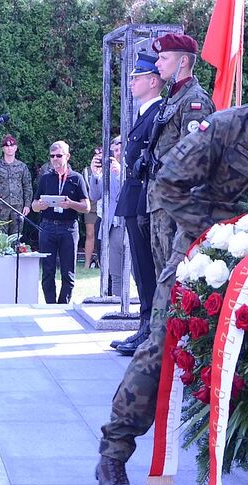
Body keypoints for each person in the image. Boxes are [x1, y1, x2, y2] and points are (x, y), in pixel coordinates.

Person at [95, 48, 248, 485]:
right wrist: (213, 234)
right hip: (202, 259)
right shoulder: (224, 128)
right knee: (159, 349)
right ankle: (114, 453)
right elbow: (166, 184)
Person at [110, 51, 165, 356]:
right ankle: (145, 325)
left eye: (138, 77)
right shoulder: (147, 112)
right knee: (141, 269)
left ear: (154, 81)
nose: (131, 82)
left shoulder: (157, 114)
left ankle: (149, 328)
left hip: (144, 197)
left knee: (147, 268)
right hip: (135, 196)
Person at [146, 33, 215, 275]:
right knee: (161, 274)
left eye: (163, 58)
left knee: (177, 275)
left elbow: (194, 156)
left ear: (183, 62)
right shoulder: (173, 98)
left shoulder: (194, 101)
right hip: (160, 199)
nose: (157, 63)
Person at [31, 141, 91, 304]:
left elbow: (86, 207)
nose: (55, 159)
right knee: (48, 270)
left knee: (68, 271)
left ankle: (63, 305)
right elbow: (34, 206)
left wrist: (71, 204)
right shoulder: (45, 178)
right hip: (48, 227)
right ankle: (50, 305)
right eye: (52, 156)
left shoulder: (76, 178)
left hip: (68, 228)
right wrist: (39, 205)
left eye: (59, 155)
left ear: (67, 156)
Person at [88, 137, 124, 294]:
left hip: (128, 225)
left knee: (137, 273)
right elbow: (94, 196)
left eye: (119, 150)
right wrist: (95, 175)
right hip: (111, 226)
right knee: (115, 274)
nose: (117, 154)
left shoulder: (133, 167)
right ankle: (116, 307)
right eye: (114, 151)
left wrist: (119, 174)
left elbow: (127, 194)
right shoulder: (108, 172)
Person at [0, 134, 32, 235]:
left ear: (16, 148)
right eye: (7, 146)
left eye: (12, 146)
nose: (9, 148)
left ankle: (15, 250)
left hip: (18, 207)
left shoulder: (22, 167)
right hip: (1, 206)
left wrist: (27, 205)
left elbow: (27, 186)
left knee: (16, 235)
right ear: (3, 149)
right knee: (1, 236)